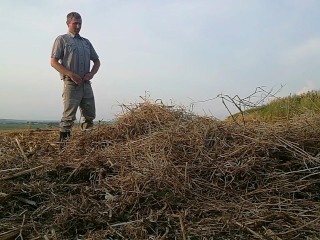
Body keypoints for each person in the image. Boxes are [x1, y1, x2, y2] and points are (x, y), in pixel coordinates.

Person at [51, 12, 100, 143]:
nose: (78, 26)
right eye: (75, 23)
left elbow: (97, 61)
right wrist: (70, 74)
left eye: (80, 23)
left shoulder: (86, 42)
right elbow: (53, 62)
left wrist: (91, 74)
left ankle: (87, 144)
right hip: (71, 84)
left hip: (86, 85)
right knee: (68, 117)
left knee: (89, 115)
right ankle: (64, 148)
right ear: (68, 24)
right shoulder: (62, 40)